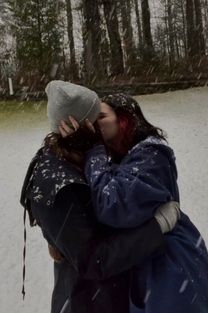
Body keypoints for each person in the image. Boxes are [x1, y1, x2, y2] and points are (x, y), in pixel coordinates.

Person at [20, 81, 180, 313]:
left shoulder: (82, 155)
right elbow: (95, 260)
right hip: (87, 301)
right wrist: (157, 226)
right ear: (79, 126)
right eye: (95, 120)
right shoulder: (60, 179)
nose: (100, 129)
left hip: (108, 295)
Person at [60, 93, 208, 313]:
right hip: (145, 258)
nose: (94, 124)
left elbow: (113, 205)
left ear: (124, 120)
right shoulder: (118, 156)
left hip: (171, 266)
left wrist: (93, 150)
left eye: (101, 116)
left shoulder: (152, 155)